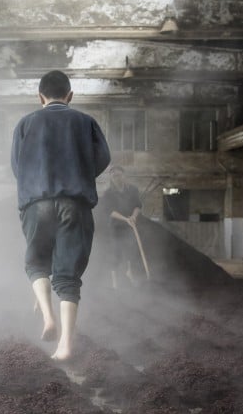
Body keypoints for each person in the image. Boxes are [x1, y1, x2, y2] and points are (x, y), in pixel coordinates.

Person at [11, 70, 111, 361]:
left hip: (36, 203)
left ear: (40, 97)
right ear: (70, 96)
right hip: (74, 203)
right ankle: (65, 344)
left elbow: (17, 166)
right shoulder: (86, 121)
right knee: (68, 274)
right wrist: (80, 172)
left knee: (36, 263)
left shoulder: (25, 123)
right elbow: (103, 158)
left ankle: (47, 317)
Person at [103, 165, 144, 289]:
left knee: (132, 251)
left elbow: (138, 205)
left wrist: (133, 217)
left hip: (131, 226)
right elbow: (110, 211)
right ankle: (115, 282)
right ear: (111, 178)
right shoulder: (108, 193)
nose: (117, 178)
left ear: (124, 176)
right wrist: (126, 219)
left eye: (119, 175)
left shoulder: (133, 190)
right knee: (116, 253)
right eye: (114, 176)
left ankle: (130, 273)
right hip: (116, 227)